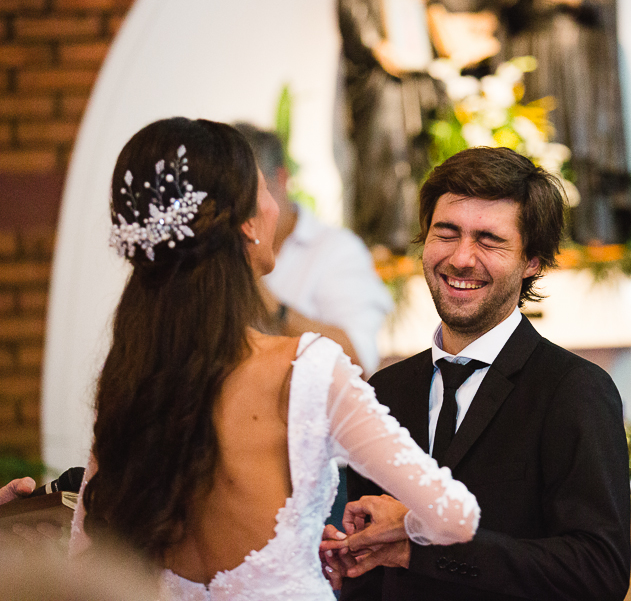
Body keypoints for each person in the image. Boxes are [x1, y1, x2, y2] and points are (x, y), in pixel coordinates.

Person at [68, 117, 479, 600]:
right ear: (246, 223)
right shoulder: (306, 369)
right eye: (262, 190)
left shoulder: (130, 374)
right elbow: (455, 517)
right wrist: (396, 523)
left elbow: (85, 556)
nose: (273, 205)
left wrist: (297, 543)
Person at [330, 147, 631, 600]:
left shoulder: (574, 389)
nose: (461, 258)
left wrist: (420, 541)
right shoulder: (385, 390)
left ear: (532, 260)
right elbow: (375, 570)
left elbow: (598, 572)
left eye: (489, 240)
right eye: (446, 233)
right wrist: (344, 564)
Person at [338, 0, 503, 253]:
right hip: (380, 75)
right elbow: (349, 4)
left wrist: (425, 4)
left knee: (420, 152)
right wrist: (375, 46)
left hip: (419, 70)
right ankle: (385, 241)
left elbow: (440, 8)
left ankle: (421, 237)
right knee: (385, 150)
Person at [233, 123, 393, 376]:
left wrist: (272, 306)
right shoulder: (214, 249)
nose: (238, 207)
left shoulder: (337, 250)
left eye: (247, 192)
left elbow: (360, 360)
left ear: (281, 179)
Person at [504, 0, 631, 245]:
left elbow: (606, 6)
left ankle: (595, 232)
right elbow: (514, 17)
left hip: (578, 61)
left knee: (583, 140)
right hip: (540, 59)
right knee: (544, 142)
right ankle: (549, 234)